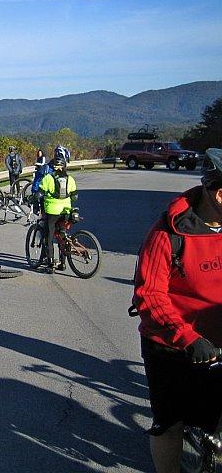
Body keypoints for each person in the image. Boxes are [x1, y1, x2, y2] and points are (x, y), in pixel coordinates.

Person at [132, 148, 222, 473]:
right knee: (170, 424)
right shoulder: (167, 235)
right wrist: (187, 337)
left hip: (217, 346)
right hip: (172, 347)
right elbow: (149, 296)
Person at [39, 157, 78, 273]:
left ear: (53, 167)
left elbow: (39, 193)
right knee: (62, 236)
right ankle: (63, 263)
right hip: (65, 211)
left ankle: (51, 264)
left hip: (52, 212)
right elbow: (75, 196)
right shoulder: (70, 179)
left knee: (49, 237)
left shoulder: (48, 178)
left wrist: (33, 199)